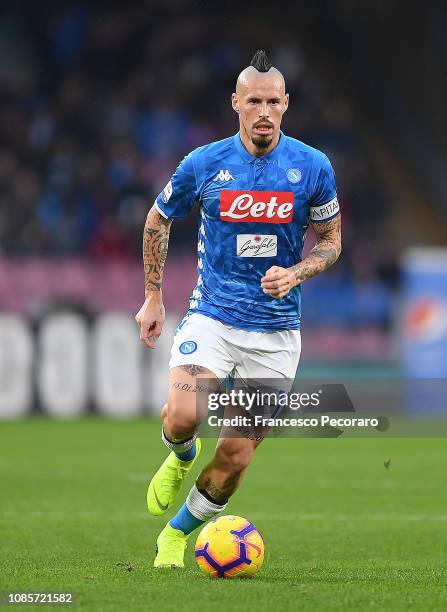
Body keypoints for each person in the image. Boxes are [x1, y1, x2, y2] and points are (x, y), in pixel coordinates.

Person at [135, 50, 341, 568]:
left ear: (287, 104)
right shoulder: (205, 163)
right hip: (213, 318)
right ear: (236, 104)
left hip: (275, 333)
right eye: (254, 101)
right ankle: (181, 455)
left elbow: (331, 241)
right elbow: (158, 220)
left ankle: (176, 534)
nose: (264, 110)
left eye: (274, 101)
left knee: (236, 454)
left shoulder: (312, 167)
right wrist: (154, 299)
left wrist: (296, 272)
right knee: (184, 416)